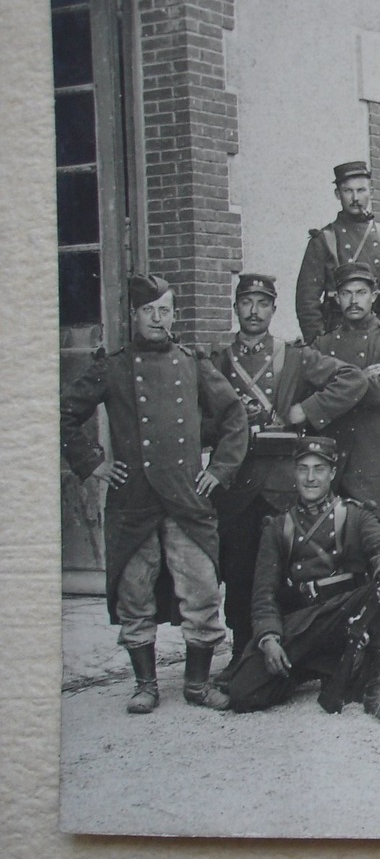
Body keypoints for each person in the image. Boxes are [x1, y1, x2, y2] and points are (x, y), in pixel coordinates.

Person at [59, 274, 248, 712]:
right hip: (133, 498)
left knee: (201, 589)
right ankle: (145, 684)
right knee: (134, 592)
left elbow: (234, 415)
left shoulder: (193, 362)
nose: (158, 319)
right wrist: (94, 462)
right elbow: (67, 411)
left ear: (174, 314)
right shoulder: (114, 366)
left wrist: (218, 470)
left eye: (165, 310)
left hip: (187, 498)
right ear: (134, 316)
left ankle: (197, 684)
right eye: (149, 311)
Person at [212, 274, 368, 665]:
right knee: (239, 569)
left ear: (273, 309)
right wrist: (228, 420)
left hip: (283, 483)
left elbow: (353, 379)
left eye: (262, 303)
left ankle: (294, 646)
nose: (253, 311)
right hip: (238, 483)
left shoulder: (294, 356)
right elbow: (196, 416)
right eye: (246, 302)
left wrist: (306, 411)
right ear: (235, 308)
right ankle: (241, 651)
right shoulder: (217, 362)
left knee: (291, 569)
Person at [225, 435, 380, 723]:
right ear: (294, 472)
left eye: (319, 469)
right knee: (243, 693)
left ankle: (377, 688)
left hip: (345, 613)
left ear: (333, 473)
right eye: (303, 469)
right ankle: (322, 669)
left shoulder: (354, 515)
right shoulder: (277, 527)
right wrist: (269, 638)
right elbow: (264, 593)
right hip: (304, 624)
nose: (310, 478)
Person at [314, 261, 380, 518]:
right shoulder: (322, 344)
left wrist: (336, 382)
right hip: (330, 465)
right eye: (346, 293)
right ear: (336, 298)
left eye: (361, 293)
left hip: (372, 466)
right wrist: (363, 375)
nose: (353, 300)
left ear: (374, 296)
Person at [295, 160, 380, 343]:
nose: (355, 198)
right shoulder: (324, 240)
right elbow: (307, 302)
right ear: (338, 194)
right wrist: (320, 344)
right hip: (338, 335)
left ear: (371, 193)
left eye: (361, 190)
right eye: (348, 191)